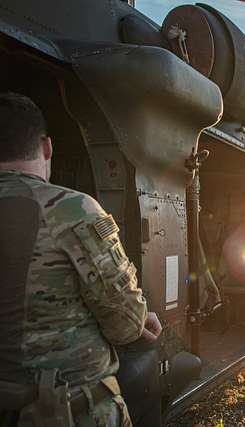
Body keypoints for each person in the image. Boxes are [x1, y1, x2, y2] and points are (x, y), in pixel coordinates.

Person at [0, 92, 161, 426]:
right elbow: (126, 325)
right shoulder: (72, 209)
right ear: (46, 148)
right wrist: (140, 316)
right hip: (60, 412)